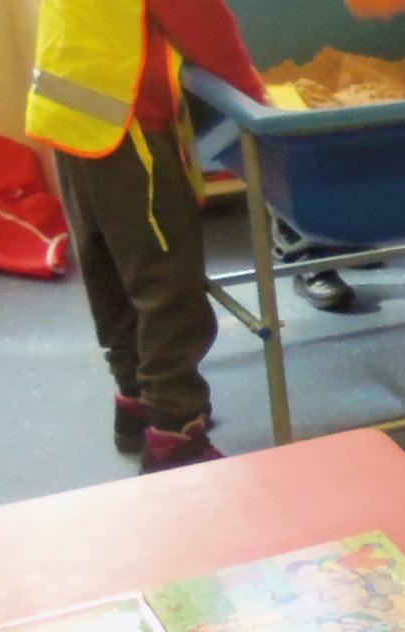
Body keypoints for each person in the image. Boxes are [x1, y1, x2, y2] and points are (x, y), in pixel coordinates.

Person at [27, 0, 270, 473]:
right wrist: (257, 103)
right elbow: (203, 22)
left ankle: (136, 404)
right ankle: (176, 435)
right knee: (167, 285)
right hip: (128, 122)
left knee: (112, 270)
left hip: (72, 111)